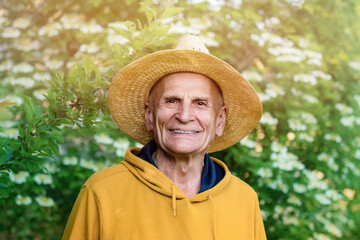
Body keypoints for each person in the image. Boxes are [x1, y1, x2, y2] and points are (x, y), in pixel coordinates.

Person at [62, 34, 266, 240]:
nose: (184, 116)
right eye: (171, 101)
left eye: (200, 103)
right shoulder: (101, 193)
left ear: (220, 120)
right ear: (149, 115)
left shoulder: (244, 201)